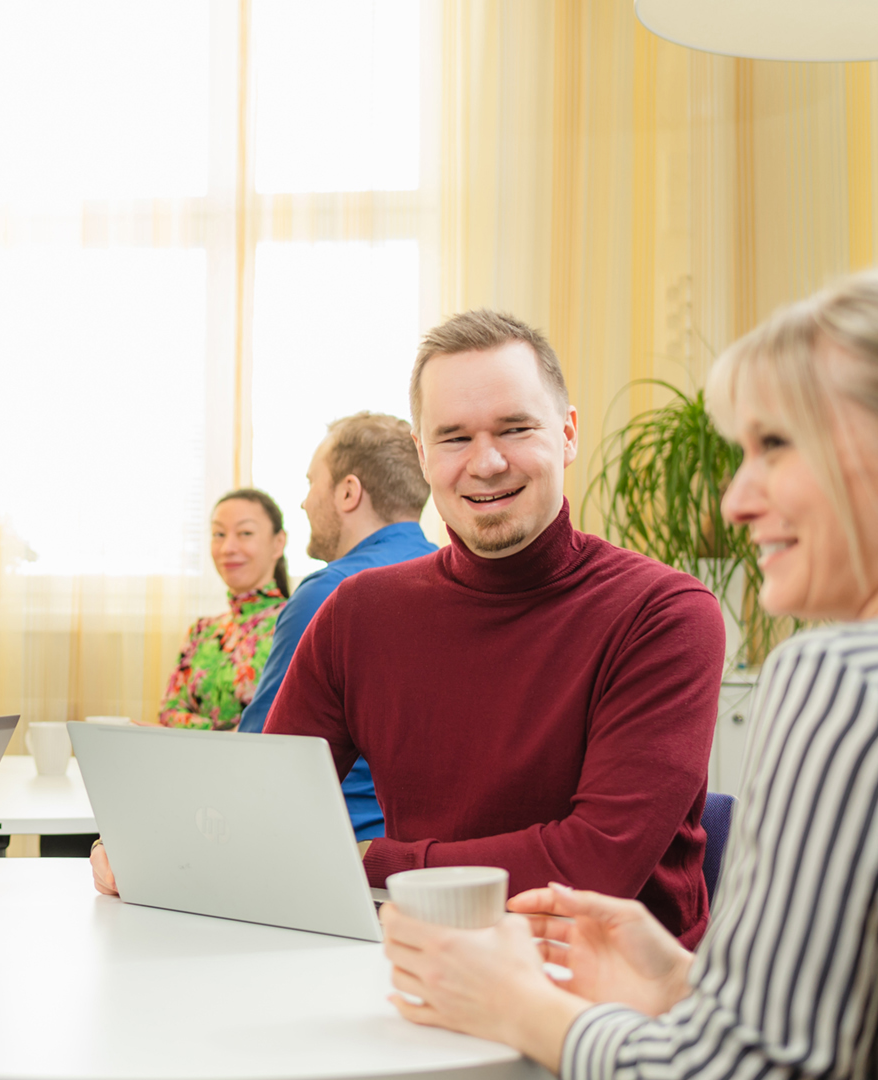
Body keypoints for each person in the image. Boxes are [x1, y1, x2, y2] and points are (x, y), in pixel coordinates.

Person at [381, 268, 878, 1079]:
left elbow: (743, 1072)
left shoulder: (856, 681)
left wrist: (518, 1005)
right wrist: (687, 981)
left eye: (778, 446)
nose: (736, 500)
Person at [94, 311, 722, 948]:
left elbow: (591, 866)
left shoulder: (665, 614)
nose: (487, 462)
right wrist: (157, 848)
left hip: (611, 1005)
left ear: (567, 434)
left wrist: (369, 859)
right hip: (416, 965)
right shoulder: (358, 612)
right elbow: (262, 812)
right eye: (453, 438)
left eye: (515, 428)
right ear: (423, 456)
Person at [236, 413, 436, 838]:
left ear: (348, 492)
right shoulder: (456, 581)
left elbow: (259, 759)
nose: (305, 502)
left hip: (337, 851)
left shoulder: (327, 594)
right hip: (435, 861)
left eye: (311, 483)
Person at [150, 488, 289, 730]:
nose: (227, 548)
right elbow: (169, 712)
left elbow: (282, 721)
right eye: (218, 534)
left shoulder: (294, 625)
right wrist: (224, 736)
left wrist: (203, 734)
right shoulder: (202, 631)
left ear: (278, 543)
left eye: (245, 533)